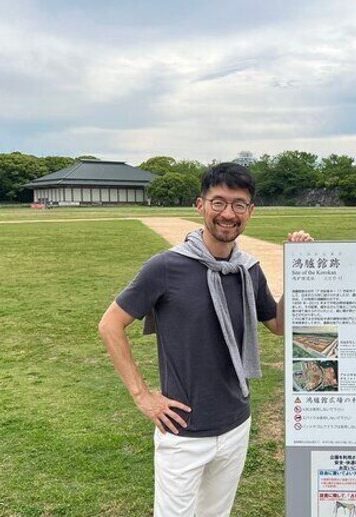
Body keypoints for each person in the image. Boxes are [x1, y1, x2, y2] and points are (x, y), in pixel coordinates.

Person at [98, 162, 310, 516]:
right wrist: (143, 396)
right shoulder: (166, 267)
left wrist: (299, 270)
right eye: (219, 202)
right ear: (200, 206)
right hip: (182, 431)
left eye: (239, 204)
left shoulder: (248, 270)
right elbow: (110, 324)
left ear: (250, 211)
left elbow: (277, 324)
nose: (228, 213)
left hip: (235, 424)